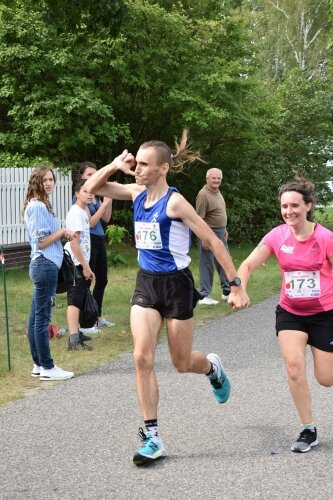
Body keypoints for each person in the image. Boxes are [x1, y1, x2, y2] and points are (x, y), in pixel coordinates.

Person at [85, 130, 249, 465]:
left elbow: (213, 242)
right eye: (137, 164)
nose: (138, 169)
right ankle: (152, 437)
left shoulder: (175, 202)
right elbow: (92, 188)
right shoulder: (134, 192)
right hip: (146, 284)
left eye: (145, 165)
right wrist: (116, 164)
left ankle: (212, 368)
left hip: (176, 285)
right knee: (141, 357)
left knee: (181, 362)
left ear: (163, 169)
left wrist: (235, 284)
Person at [229, 176, 333, 453]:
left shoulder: (325, 238)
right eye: (284, 206)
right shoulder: (277, 236)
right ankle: (308, 429)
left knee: (326, 378)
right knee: (294, 368)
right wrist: (239, 290)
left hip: (325, 314)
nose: (289, 211)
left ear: (308, 206)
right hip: (291, 312)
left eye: (295, 206)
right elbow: (248, 265)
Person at [23, 166, 75, 381]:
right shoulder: (37, 207)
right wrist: (63, 231)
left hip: (44, 265)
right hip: (44, 265)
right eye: (44, 179)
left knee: (36, 316)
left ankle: (38, 364)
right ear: (36, 181)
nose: (49, 183)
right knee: (42, 318)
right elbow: (42, 242)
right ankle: (47, 367)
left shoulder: (41, 205)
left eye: (51, 179)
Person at [75, 162, 115, 332]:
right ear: (81, 177)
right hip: (89, 239)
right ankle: (85, 322)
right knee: (87, 279)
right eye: (89, 175)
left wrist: (108, 199)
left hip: (99, 239)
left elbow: (106, 219)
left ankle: (96, 316)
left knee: (102, 279)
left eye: (95, 174)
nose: (93, 178)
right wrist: (104, 204)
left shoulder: (96, 196)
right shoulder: (80, 197)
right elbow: (90, 223)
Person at [65, 179, 95, 351]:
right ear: (76, 193)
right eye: (85, 191)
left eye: (91, 191)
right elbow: (74, 242)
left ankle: (77, 331)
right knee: (74, 300)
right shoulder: (76, 212)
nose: (90, 194)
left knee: (81, 296)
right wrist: (85, 266)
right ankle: (73, 339)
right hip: (75, 262)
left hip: (82, 261)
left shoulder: (83, 211)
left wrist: (87, 265)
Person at [196, 168, 231, 305]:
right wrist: (204, 238)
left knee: (225, 262)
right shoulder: (203, 195)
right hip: (209, 233)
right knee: (207, 264)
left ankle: (227, 292)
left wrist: (224, 229)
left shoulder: (217, 192)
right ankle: (204, 296)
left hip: (221, 233)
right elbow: (198, 219)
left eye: (219, 178)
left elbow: (220, 213)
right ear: (207, 179)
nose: (216, 181)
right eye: (214, 178)